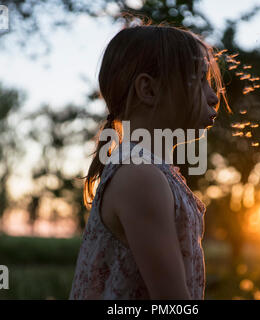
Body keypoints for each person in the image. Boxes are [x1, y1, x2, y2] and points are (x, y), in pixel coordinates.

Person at [69, 23, 228, 300]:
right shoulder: (140, 177)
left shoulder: (149, 172)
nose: (214, 97)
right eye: (200, 81)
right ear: (148, 90)